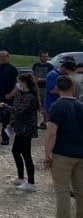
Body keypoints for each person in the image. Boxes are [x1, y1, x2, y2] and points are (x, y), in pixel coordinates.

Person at [44, 75, 83, 217]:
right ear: (72, 88)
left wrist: (47, 154)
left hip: (62, 155)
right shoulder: (81, 106)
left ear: (57, 88)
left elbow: (51, 133)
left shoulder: (57, 106)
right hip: (81, 154)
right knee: (81, 191)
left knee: (62, 192)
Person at [1, 74, 40, 192]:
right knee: (15, 151)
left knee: (26, 154)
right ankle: (21, 177)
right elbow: (16, 110)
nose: (18, 84)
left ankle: (31, 182)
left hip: (26, 129)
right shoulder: (21, 94)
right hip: (19, 127)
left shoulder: (30, 97)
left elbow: (19, 110)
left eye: (19, 82)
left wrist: (5, 106)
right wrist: (11, 123)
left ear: (24, 82)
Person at [45, 60, 77, 128]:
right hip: (52, 104)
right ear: (64, 68)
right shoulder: (53, 75)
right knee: (54, 127)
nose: (69, 74)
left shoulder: (62, 75)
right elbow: (52, 90)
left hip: (62, 104)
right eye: (68, 71)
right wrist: (69, 91)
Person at [33, 51, 55, 129]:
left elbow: (51, 78)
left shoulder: (50, 66)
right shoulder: (36, 65)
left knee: (44, 105)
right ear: (40, 57)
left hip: (45, 88)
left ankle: (45, 122)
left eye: (46, 56)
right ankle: (34, 122)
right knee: (35, 105)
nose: (45, 58)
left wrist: (41, 79)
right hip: (36, 87)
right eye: (43, 56)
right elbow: (33, 74)